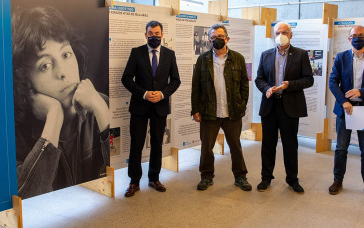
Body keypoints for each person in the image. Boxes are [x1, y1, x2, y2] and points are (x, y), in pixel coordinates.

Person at [12, 6, 110, 199]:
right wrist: (54, 116)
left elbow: (129, 172)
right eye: (45, 66)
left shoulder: (100, 104)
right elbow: (29, 200)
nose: (63, 73)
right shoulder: (16, 135)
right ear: (24, 78)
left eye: (66, 55)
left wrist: (101, 109)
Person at [121, 20, 181, 197]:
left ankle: (154, 178)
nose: (154, 36)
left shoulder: (170, 54)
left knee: (157, 144)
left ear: (162, 35)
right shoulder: (137, 52)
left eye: (157, 33)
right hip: (139, 106)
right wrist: (144, 93)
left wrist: (162, 94)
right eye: (150, 33)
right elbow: (126, 78)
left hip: (160, 107)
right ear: (145, 34)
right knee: (136, 145)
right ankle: (134, 181)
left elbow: (176, 80)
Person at [328, 25, 364, 199]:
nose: (357, 37)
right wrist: (344, 101)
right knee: (341, 148)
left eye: (361, 35)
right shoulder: (341, 58)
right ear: (349, 39)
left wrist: (361, 92)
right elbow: (333, 82)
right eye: (354, 35)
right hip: (346, 110)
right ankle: (338, 180)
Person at [191, 23, 251, 191]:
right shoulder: (203, 59)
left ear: (227, 38)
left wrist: (241, 105)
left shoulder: (237, 58)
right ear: (210, 40)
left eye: (220, 37)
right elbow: (196, 86)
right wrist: (195, 110)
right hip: (209, 112)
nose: (217, 40)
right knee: (206, 147)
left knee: (235, 146)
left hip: (232, 111)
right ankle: (206, 176)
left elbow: (244, 87)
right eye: (214, 37)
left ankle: (241, 176)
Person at [255, 22, 314, 193]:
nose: (280, 35)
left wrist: (289, 85)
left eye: (284, 32)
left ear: (291, 35)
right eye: (278, 32)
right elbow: (259, 79)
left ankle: (292, 179)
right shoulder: (265, 55)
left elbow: (308, 79)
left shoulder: (301, 55)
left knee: (290, 144)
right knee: (268, 144)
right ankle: (266, 178)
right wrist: (266, 89)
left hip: (290, 106)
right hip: (270, 105)